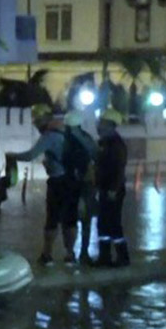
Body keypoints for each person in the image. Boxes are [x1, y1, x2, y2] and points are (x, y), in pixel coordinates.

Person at [7, 104, 95, 266]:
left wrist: (13, 156)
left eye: (36, 121)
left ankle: (47, 255)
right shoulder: (67, 132)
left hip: (57, 182)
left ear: (42, 120)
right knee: (70, 219)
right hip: (73, 180)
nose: (35, 124)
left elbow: (30, 155)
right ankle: (70, 254)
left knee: (52, 219)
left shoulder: (49, 135)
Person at [93, 108, 130, 267]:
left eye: (102, 123)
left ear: (110, 125)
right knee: (103, 223)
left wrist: (113, 189)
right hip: (105, 188)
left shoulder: (115, 145)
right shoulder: (105, 143)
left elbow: (119, 169)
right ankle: (104, 256)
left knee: (113, 223)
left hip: (112, 190)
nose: (99, 125)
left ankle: (123, 257)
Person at [66, 112, 100, 265]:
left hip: (72, 183)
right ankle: (84, 252)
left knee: (70, 219)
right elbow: (96, 156)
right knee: (86, 219)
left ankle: (70, 252)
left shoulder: (66, 139)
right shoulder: (87, 138)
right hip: (87, 183)